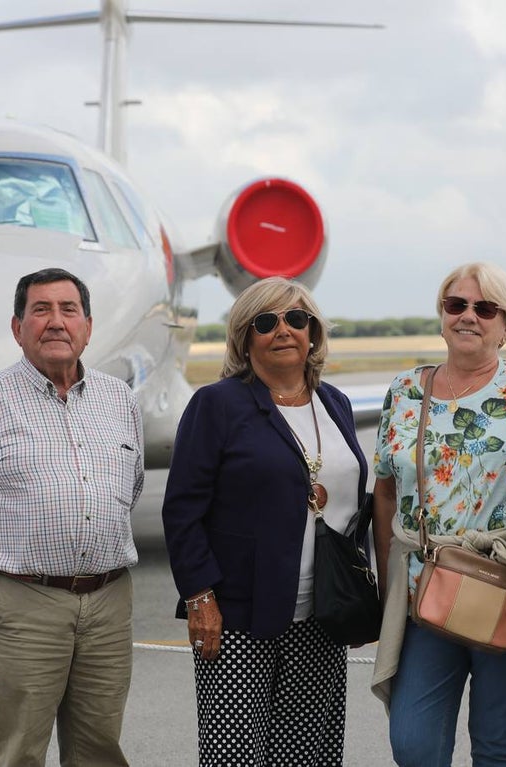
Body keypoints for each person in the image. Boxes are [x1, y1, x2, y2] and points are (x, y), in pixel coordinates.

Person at [0, 267, 144, 767]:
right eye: (41, 310)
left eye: (68, 310)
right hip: (24, 602)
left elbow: (128, 488)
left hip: (109, 601)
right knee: (18, 752)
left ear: (88, 327)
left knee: (99, 749)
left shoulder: (120, 401)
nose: (55, 322)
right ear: (17, 327)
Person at [162, 276, 369, 766]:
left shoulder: (334, 403)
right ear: (244, 336)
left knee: (306, 756)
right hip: (238, 617)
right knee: (234, 755)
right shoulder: (216, 405)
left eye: (296, 319)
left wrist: (357, 595)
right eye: (266, 321)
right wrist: (200, 596)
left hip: (321, 616)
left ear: (313, 333)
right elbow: (182, 509)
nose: (283, 330)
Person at [370, 262, 506, 767]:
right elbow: (384, 491)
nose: (468, 316)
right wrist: (391, 582)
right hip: (427, 589)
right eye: (456, 305)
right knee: (414, 744)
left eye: (485, 308)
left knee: (499, 746)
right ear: (442, 314)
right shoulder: (406, 390)